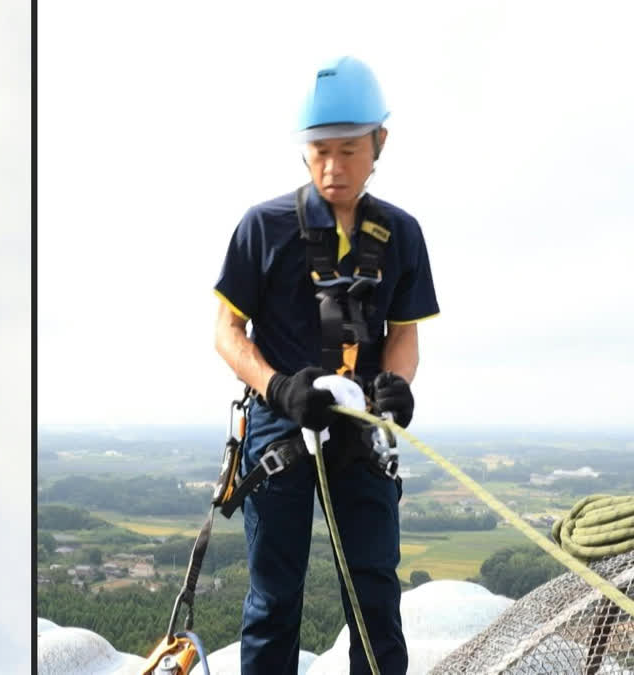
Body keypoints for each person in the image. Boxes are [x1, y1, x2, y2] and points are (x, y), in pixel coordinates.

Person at [213, 56, 439, 674]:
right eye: (319, 152)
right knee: (274, 597)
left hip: (357, 423)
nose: (333, 167)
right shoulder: (264, 228)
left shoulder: (401, 234)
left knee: (373, 591)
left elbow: (403, 336)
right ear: (303, 154)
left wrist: (396, 387)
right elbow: (226, 334)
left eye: (348, 149)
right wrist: (277, 387)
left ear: (379, 144)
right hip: (281, 424)